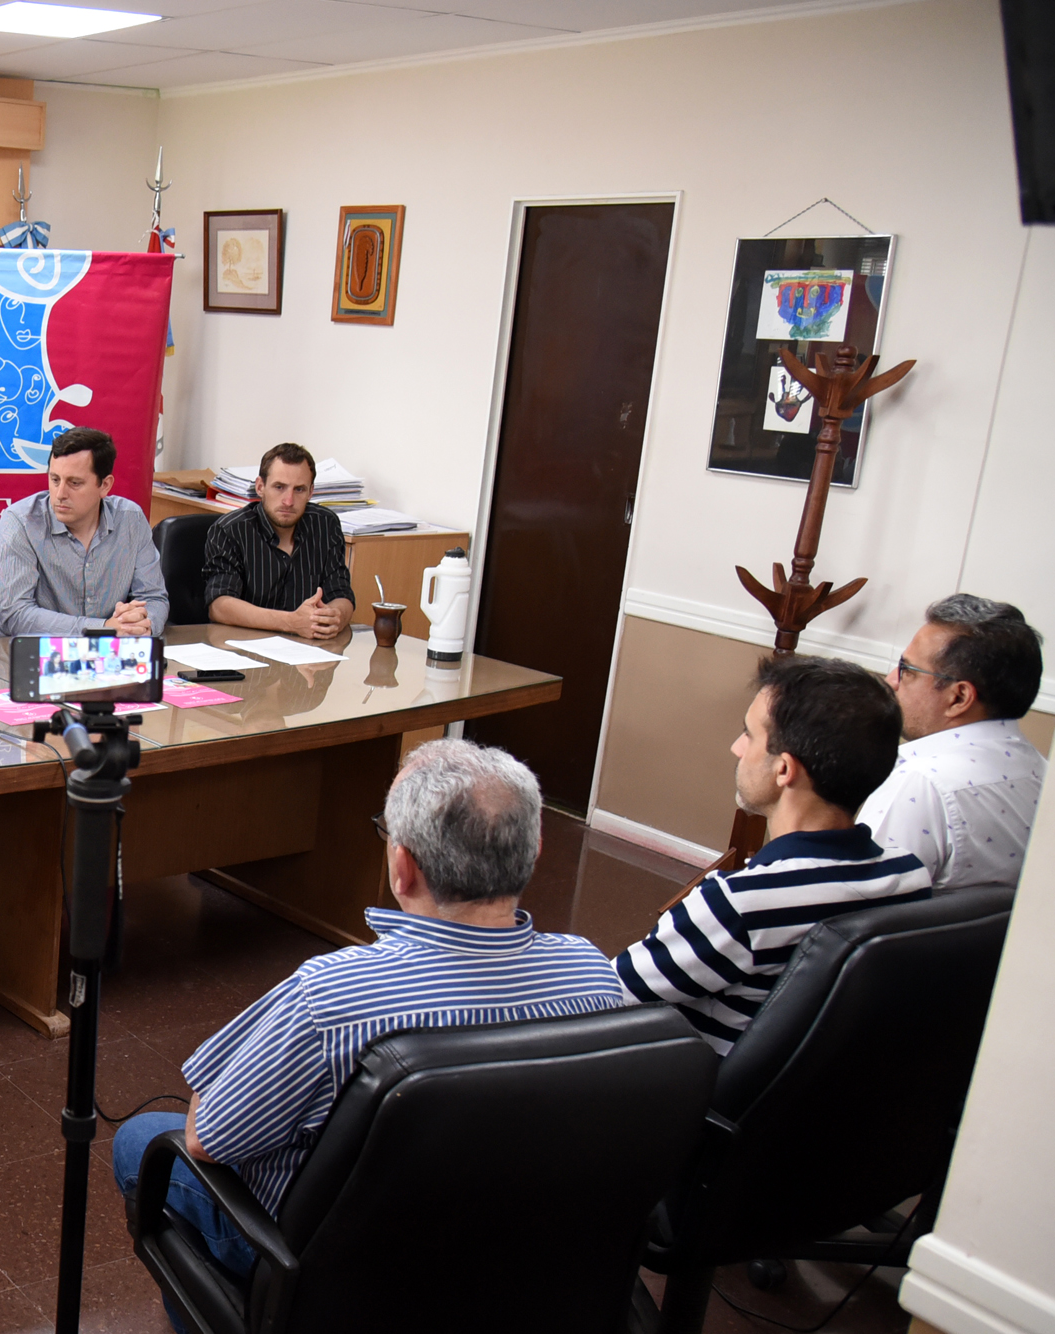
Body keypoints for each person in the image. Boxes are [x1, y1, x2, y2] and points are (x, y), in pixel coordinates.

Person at [111, 740, 626, 1289]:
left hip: (341, 1269)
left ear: (403, 867)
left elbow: (206, 1139)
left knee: (142, 1140)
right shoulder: (591, 973)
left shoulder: (332, 994)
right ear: (536, 848)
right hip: (506, 1252)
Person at [619, 655, 932, 1055]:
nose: (736, 748)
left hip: (692, 1093)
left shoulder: (738, 905)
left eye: (748, 734)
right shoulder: (909, 876)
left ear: (784, 770)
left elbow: (605, 998)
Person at [857, 594, 1044, 889]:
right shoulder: (1042, 774)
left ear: (958, 698)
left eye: (907, 670)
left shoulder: (920, 784)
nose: (891, 679)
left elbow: (852, 919)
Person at [0, 426, 170, 639]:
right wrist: (103, 629)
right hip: (26, 660)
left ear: (105, 485)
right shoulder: (20, 522)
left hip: (108, 657)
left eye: (74, 483)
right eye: (55, 480)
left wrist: (139, 624)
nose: (60, 494)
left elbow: (154, 598)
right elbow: (16, 616)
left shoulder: (131, 519)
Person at [202, 442, 355, 639]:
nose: (288, 501)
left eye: (299, 489)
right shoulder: (230, 530)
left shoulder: (326, 525)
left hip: (310, 650)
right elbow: (219, 605)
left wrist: (333, 618)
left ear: (311, 492)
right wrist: (292, 622)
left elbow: (341, 593)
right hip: (246, 649)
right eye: (279, 487)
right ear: (260, 487)